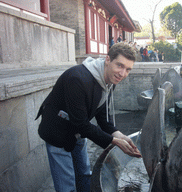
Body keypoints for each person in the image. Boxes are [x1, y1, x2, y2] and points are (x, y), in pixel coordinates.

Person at [35, 43, 142, 192]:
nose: (122, 73)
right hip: (57, 132)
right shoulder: (78, 79)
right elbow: (81, 123)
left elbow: (103, 116)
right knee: (67, 185)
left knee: (84, 175)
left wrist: (120, 136)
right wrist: (113, 141)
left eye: (128, 69)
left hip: (78, 132)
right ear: (107, 60)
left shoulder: (109, 78)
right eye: (120, 65)